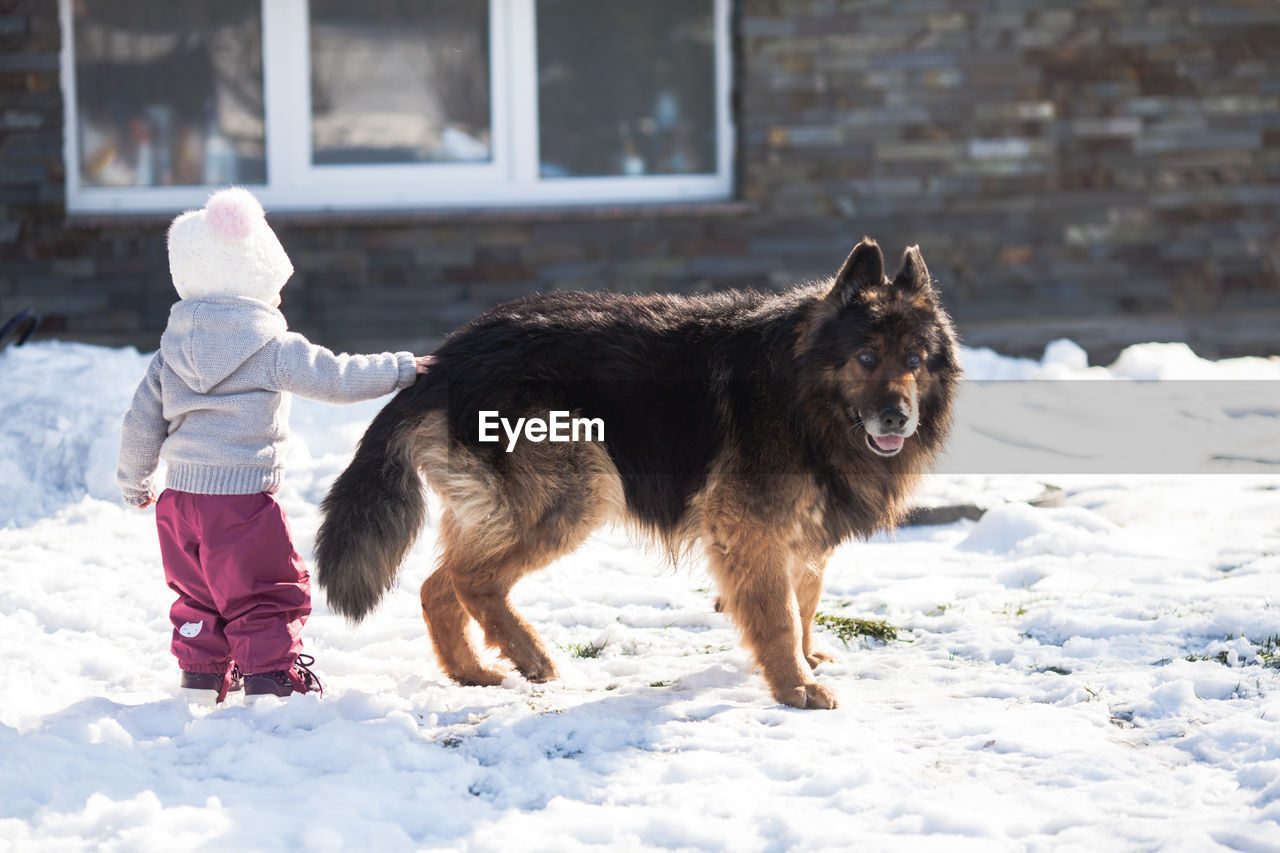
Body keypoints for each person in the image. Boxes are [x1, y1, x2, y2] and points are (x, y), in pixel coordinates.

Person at [116, 187, 431, 705]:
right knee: (261, 591)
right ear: (248, 279)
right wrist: (401, 369)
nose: (278, 298)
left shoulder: (169, 353)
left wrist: (135, 480)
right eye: (272, 288)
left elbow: (140, 423)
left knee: (199, 595)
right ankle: (271, 682)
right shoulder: (269, 348)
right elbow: (336, 377)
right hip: (240, 502)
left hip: (179, 504)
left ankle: (199, 680)